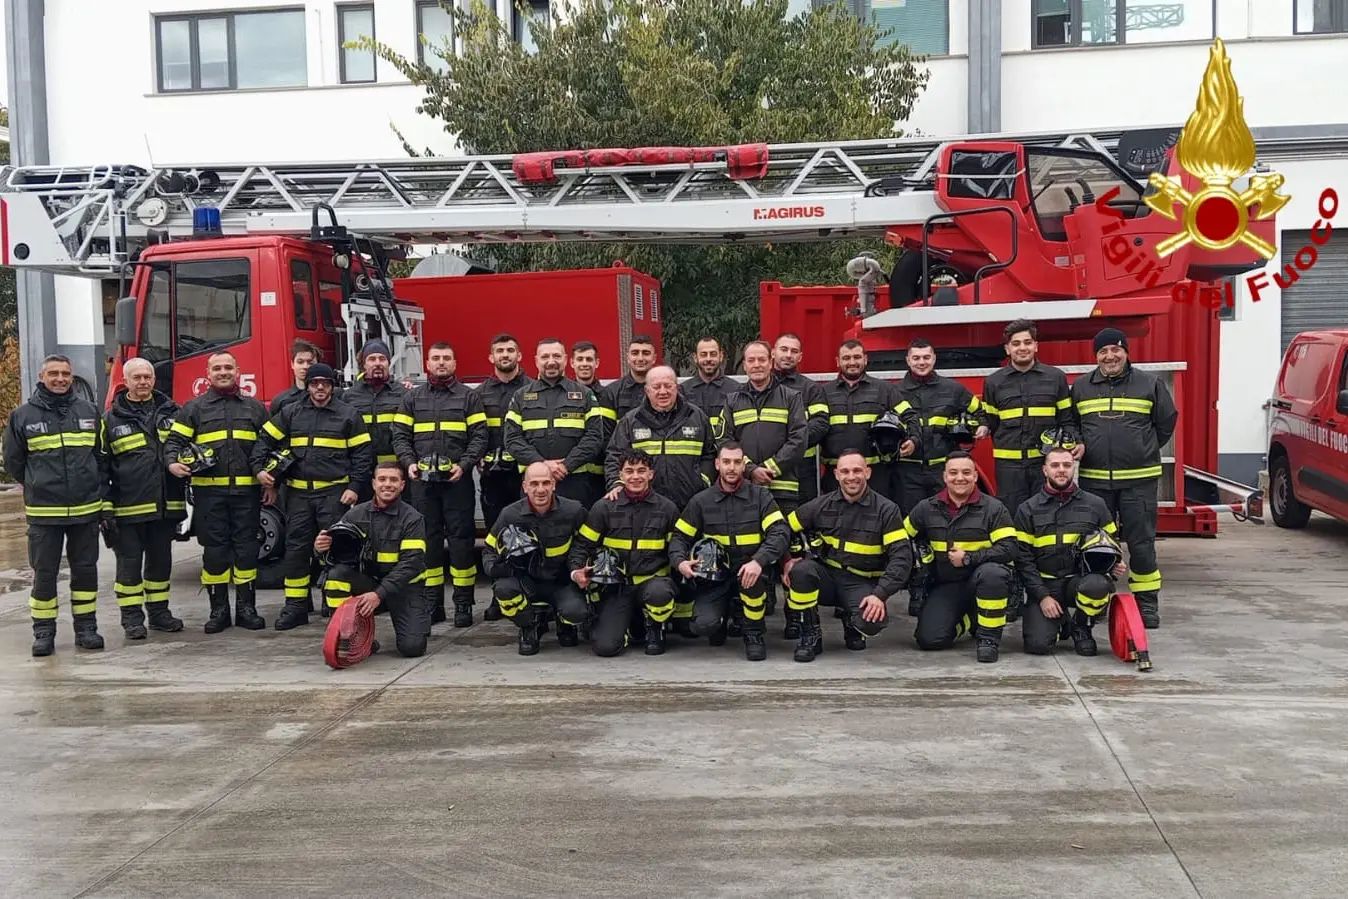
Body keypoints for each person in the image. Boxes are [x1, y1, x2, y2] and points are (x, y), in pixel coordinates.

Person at [1071, 327, 1178, 629]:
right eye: (1103, 351)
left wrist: (1142, 448)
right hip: (1094, 482)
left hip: (1139, 480)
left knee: (1141, 545)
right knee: (1097, 546)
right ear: (1096, 356)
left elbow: (1166, 421)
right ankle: (1098, 603)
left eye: (1116, 350)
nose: (1110, 356)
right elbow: (1073, 425)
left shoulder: (1149, 383)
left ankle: (1147, 607)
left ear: (1126, 352)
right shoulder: (1080, 387)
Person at [2, 355, 109, 655]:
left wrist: (93, 488)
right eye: (54, 373)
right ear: (42, 376)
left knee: (86, 571)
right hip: (44, 513)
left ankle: (86, 628)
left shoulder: (89, 411)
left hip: (86, 510)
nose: (60, 379)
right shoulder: (22, 416)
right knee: (45, 574)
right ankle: (44, 632)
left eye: (65, 373)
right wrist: (38, 483)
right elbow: (14, 460)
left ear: (71, 377)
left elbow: (101, 457)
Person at [255, 363, 372, 630]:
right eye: (315, 383)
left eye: (326, 383)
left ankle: (334, 606)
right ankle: (295, 607)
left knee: (334, 551)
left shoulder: (348, 415)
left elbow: (363, 456)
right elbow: (264, 440)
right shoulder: (291, 413)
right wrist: (260, 471)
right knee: (296, 551)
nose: (320, 387)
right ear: (307, 386)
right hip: (298, 494)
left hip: (334, 494)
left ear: (333, 386)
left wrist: (354, 486)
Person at [164, 351, 270, 634]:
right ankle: (218, 610)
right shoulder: (193, 409)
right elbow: (174, 441)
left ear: (237, 371)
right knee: (215, 554)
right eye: (217, 368)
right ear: (208, 374)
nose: (223, 372)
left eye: (228, 368)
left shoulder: (255, 408)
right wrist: (172, 462)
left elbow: (270, 446)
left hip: (247, 495)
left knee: (247, 552)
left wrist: (271, 483)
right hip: (209, 497)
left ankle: (247, 609)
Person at [391, 341, 488, 628]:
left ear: (455, 363)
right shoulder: (412, 399)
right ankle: (433, 604)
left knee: (461, 542)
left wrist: (465, 464)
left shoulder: (469, 399)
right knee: (428, 543)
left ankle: (463, 603)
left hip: (456, 482)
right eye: (436, 358)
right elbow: (400, 435)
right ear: (427, 364)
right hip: (422, 484)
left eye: (447, 358)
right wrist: (408, 462)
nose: (441, 362)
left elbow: (479, 436)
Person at [783, 450, 912, 663]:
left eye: (857, 471)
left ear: (868, 473)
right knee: (801, 571)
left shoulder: (887, 510)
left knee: (871, 623)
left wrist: (880, 594)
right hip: (829, 577)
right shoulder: (821, 505)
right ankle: (810, 636)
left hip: (861, 582)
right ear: (836, 475)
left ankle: (852, 623)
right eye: (845, 471)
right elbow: (783, 528)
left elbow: (902, 558)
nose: (851, 477)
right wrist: (787, 560)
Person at [668, 442, 791, 660]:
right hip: (715, 577)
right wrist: (680, 562)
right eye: (726, 462)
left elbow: (779, 532)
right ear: (717, 464)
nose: (731, 467)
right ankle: (723, 618)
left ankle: (753, 633)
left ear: (744, 465)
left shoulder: (761, 497)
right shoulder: (701, 501)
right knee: (704, 626)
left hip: (750, 572)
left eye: (736, 462)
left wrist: (759, 561)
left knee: (753, 585)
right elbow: (679, 537)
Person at [718, 339, 806, 634]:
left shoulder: (791, 397)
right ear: (744, 365)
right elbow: (723, 440)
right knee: (752, 548)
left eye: (761, 360)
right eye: (750, 360)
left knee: (789, 553)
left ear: (771, 361)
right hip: (746, 489)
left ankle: (796, 616)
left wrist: (772, 468)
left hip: (784, 487)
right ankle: (751, 611)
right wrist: (750, 470)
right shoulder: (732, 400)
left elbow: (799, 438)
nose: (756, 365)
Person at [904, 451, 1018, 663]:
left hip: (983, 579)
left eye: (966, 472)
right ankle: (972, 619)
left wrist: (969, 558)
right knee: (929, 640)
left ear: (975, 476)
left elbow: (1010, 548)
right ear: (944, 476)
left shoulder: (994, 509)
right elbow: (900, 540)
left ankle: (988, 639)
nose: (960, 478)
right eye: (953, 472)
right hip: (948, 584)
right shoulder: (926, 508)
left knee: (993, 574)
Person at [102, 357, 187, 639]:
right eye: (136, 377)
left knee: (161, 564)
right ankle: (132, 619)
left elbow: (186, 449)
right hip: (127, 508)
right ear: (125, 381)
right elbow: (101, 468)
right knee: (129, 567)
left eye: (147, 377)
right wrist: (106, 509)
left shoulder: (173, 413)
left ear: (153, 379)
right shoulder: (110, 420)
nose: (142, 382)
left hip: (165, 506)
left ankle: (160, 614)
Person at [1014, 445, 1127, 656]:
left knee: (1098, 584)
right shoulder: (1027, 509)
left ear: (1073, 468)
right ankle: (1061, 620)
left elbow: (1111, 544)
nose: (1061, 470)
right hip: (1046, 585)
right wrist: (1042, 596)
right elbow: (1023, 560)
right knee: (1038, 646)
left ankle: (1082, 626)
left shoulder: (1096, 504)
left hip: (1079, 582)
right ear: (1045, 470)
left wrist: (1115, 564)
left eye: (1067, 465)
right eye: (1055, 465)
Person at [568, 448, 680, 656]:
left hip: (653, 583)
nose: (635, 476)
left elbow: (676, 548)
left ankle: (656, 627)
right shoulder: (604, 508)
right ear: (620, 476)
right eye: (629, 471)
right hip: (617, 587)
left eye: (641, 470)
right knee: (605, 648)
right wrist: (577, 571)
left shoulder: (667, 509)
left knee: (660, 593)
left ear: (651, 474)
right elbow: (583, 545)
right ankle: (629, 626)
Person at [315, 461, 430, 658]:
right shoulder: (355, 514)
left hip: (403, 589)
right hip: (368, 585)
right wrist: (321, 549)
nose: (387, 484)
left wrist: (378, 594)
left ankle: (415, 617)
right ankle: (350, 635)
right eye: (382, 479)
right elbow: (336, 558)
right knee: (336, 576)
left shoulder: (413, 518)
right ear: (374, 484)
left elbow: (410, 565)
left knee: (412, 648)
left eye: (394, 480)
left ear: (402, 485)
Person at [482, 461, 589, 655]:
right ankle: (529, 626)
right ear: (525, 487)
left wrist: (579, 570)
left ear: (554, 484)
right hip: (526, 582)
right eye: (534, 484)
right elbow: (489, 550)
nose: (540, 489)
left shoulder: (574, 511)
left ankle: (564, 623)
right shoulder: (509, 515)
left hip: (560, 581)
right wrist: (499, 569)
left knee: (577, 611)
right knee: (504, 589)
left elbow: (588, 544)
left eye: (546, 483)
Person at [981, 319, 1073, 516]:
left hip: (1044, 465)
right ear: (1007, 349)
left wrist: (1076, 442)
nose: (1022, 348)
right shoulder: (993, 382)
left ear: (1036, 345)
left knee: (1047, 516)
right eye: (1016, 344)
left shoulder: (1056, 378)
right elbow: (991, 422)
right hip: (1009, 469)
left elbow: (1066, 420)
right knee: (1012, 518)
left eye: (1027, 342)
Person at [504, 337, 606, 507]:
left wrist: (566, 466)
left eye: (556, 356)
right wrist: (542, 465)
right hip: (535, 484)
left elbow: (594, 438)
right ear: (536, 361)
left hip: (575, 483)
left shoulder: (585, 395)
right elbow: (512, 439)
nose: (551, 362)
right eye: (545, 357)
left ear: (565, 359)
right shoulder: (520, 397)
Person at [894, 339, 989, 514]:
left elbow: (981, 411)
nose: (922, 362)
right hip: (907, 472)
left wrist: (983, 426)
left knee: (943, 517)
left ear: (934, 358)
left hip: (941, 470)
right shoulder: (894, 392)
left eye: (926, 357)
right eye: (916, 358)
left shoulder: (953, 389)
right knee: (910, 518)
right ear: (908, 360)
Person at [820, 338, 920, 502]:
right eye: (846, 358)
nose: (852, 362)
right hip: (836, 475)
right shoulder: (823, 392)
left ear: (865, 359)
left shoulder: (884, 389)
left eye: (857, 357)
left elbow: (910, 416)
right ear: (838, 361)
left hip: (876, 475)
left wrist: (914, 440)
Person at [477, 332, 529, 621]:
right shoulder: (479, 394)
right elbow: (473, 432)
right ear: (491, 357)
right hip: (493, 478)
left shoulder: (533, 390)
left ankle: (526, 592)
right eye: (500, 351)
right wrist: (477, 459)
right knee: (496, 538)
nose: (505, 355)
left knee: (527, 534)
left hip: (524, 477)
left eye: (511, 350)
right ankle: (500, 596)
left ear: (520, 355)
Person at [341, 338, 407, 502]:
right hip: (363, 473)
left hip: (395, 472)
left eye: (382, 359)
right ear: (364, 364)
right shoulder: (349, 396)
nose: (377, 363)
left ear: (388, 363)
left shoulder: (404, 394)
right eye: (372, 359)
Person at [771, 333, 830, 503]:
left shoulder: (811, 389)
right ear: (773, 353)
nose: (788, 355)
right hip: (766, 468)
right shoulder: (762, 386)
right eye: (784, 349)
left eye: (794, 351)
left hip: (802, 471)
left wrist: (790, 445)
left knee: (802, 521)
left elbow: (820, 424)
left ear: (800, 357)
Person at [596, 335, 658, 443]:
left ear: (654, 358)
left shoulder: (666, 391)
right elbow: (607, 436)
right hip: (624, 458)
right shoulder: (611, 393)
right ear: (628, 358)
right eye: (635, 353)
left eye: (646, 353)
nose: (640, 358)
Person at [681, 336, 733, 436]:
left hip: (724, 449)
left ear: (721, 356)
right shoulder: (682, 391)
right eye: (703, 355)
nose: (708, 359)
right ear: (695, 358)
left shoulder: (736, 390)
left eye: (713, 354)